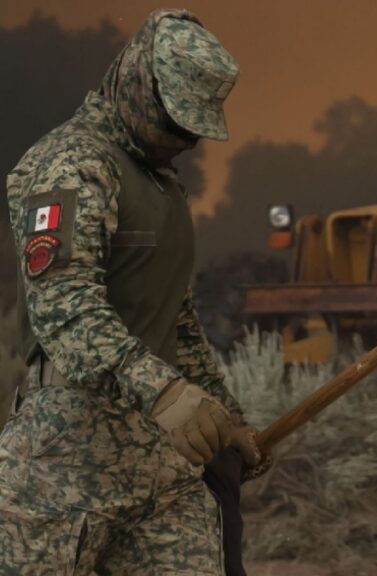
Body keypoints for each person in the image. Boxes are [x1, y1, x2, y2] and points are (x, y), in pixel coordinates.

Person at [0, 9, 267, 574]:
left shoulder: (159, 182)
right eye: (175, 123)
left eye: (194, 128)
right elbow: (64, 308)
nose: (186, 140)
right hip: (66, 465)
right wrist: (167, 395)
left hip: (161, 471)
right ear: (135, 82)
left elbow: (179, 317)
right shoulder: (72, 164)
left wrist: (223, 415)